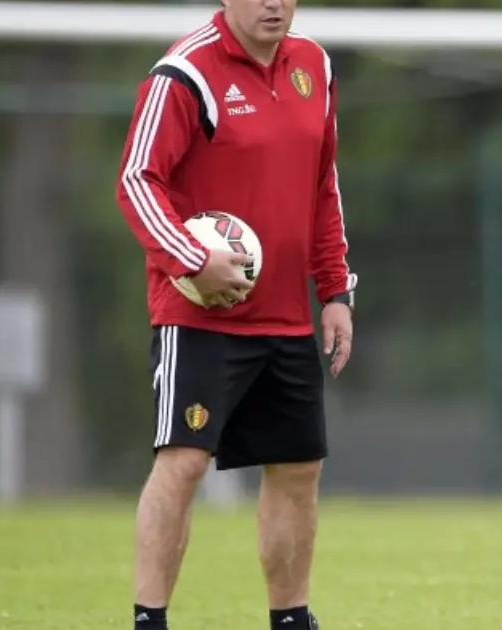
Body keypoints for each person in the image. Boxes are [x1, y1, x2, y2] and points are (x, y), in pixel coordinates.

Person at [114, 0, 356, 628]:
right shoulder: (184, 72)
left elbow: (322, 182)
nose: (274, 3)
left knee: (298, 468)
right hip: (200, 316)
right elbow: (137, 180)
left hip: (287, 316)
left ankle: (291, 620)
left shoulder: (314, 65)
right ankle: (149, 621)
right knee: (184, 461)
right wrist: (192, 258)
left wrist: (334, 290)